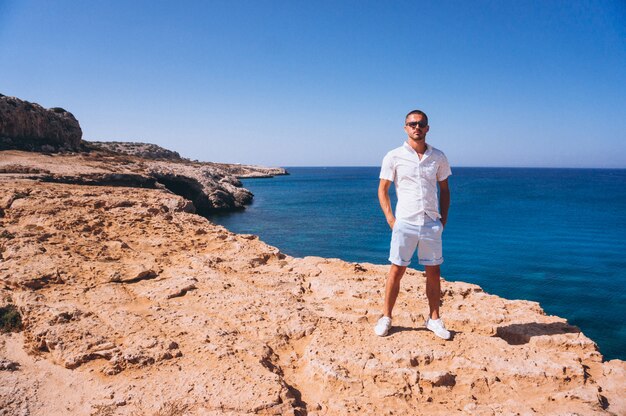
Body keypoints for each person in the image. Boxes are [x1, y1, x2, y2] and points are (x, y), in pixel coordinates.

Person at [374, 109, 452, 339]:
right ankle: (386, 317)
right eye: (412, 124)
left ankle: (434, 319)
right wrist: (391, 219)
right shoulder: (394, 156)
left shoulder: (438, 157)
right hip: (405, 221)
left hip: (430, 222)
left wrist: (442, 220)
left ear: (427, 128)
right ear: (405, 127)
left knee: (434, 272)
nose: (416, 127)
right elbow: (382, 190)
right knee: (396, 270)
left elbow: (445, 190)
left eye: (420, 124)